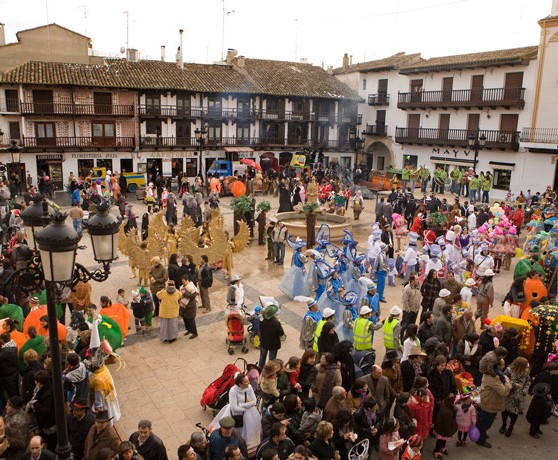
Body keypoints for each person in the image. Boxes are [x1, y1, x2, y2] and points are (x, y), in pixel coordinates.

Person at [475, 358, 512, 448]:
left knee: (483, 420)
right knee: (486, 422)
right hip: (490, 403)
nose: (504, 366)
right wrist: (508, 383)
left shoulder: (493, 373)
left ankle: (480, 433)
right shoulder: (495, 377)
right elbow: (504, 392)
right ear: (498, 366)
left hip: (488, 400)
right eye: (502, 365)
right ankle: (480, 439)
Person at [500, 357, 530, 437]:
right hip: (509, 393)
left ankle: (511, 427)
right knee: (505, 410)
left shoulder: (526, 372)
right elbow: (504, 379)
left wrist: (524, 391)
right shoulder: (509, 370)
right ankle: (504, 425)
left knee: (514, 412)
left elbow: (528, 382)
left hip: (519, 396)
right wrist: (514, 385)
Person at [258, 304, 285, 369]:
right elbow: (281, 333)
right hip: (273, 344)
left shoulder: (261, 320)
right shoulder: (276, 323)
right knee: (272, 359)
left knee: (262, 357)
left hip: (263, 342)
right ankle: (269, 370)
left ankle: (260, 369)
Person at [432, 394, 457, 459]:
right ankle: (436, 451)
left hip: (440, 426)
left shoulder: (444, 402)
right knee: (440, 440)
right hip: (444, 429)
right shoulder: (448, 412)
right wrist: (449, 433)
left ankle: (442, 447)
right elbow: (447, 424)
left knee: (442, 439)